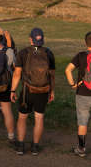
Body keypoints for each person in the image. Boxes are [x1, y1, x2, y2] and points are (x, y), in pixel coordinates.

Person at [10, 28, 56, 156]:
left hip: (27, 91)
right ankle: (35, 147)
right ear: (42, 39)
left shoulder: (23, 53)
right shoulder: (48, 52)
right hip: (43, 90)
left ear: (31, 39)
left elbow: (17, 74)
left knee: (22, 117)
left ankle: (20, 145)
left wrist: (12, 90)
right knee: (39, 118)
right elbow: (52, 76)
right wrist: (51, 91)